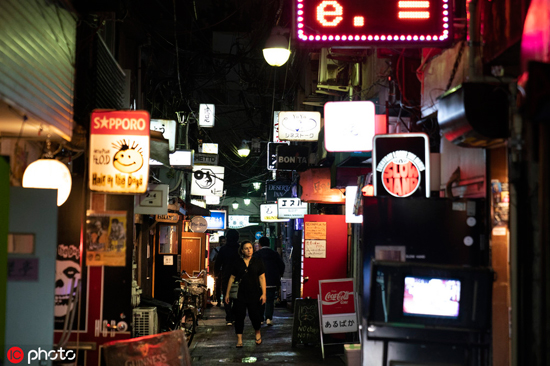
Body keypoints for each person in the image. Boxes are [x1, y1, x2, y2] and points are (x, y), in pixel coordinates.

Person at [225, 241, 266, 348]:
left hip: (254, 293)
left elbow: (262, 278)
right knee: (239, 317)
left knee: (255, 316)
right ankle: (239, 339)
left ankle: (257, 332)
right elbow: (232, 278)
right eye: (246, 248)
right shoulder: (238, 262)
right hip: (240, 294)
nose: (249, 250)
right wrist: (227, 293)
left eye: (250, 248)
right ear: (242, 251)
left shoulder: (257, 261)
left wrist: (264, 293)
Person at [253, 236, 285, 326]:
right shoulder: (274, 254)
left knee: (260, 300)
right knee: (270, 300)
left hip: (259, 282)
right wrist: (279, 275)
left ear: (259, 244)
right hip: (272, 280)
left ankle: (260, 318)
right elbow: (281, 265)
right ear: (269, 243)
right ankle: (268, 318)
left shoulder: (257, 254)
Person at [214, 229, 241, 325]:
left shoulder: (223, 249)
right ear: (237, 237)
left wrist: (216, 274)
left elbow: (218, 263)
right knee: (238, 297)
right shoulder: (240, 249)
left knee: (227, 295)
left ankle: (229, 318)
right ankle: (233, 315)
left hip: (227, 275)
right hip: (239, 276)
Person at [209, 236, 226, 305]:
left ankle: (224, 300)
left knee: (223, 285)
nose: (223, 242)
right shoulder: (216, 250)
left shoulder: (217, 250)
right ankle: (219, 300)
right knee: (218, 285)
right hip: (219, 270)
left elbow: (211, 259)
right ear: (219, 242)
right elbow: (211, 259)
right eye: (222, 241)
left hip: (223, 269)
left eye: (224, 241)